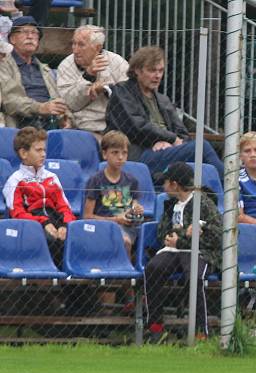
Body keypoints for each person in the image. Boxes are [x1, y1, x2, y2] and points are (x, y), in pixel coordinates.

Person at [105, 46, 224, 179]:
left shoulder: (163, 100)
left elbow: (182, 133)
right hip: (138, 154)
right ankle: (233, 189)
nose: (157, 76)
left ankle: (226, 193)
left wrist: (169, 143)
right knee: (201, 147)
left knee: (203, 155)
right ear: (137, 70)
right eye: (152, 70)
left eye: (161, 71)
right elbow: (137, 126)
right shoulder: (122, 92)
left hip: (166, 151)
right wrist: (169, 139)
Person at [144, 162, 222, 343]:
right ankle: (155, 327)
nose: (162, 187)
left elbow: (218, 236)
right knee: (153, 268)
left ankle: (200, 331)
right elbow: (163, 233)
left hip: (199, 251)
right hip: (173, 249)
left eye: (165, 183)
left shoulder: (203, 203)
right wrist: (180, 236)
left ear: (174, 184)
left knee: (195, 276)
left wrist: (181, 239)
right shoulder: (170, 204)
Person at [2, 126, 75, 265]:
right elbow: (17, 213)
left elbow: (64, 206)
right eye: (38, 150)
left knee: (75, 237)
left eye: (44, 150)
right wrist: (44, 222)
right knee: (50, 240)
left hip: (56, 220)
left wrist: (65, 225)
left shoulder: (52, 177)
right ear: (23, 153)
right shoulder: (15, 180)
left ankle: (73, 280)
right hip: (31, 224)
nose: (43, 154)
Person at [57, 25, 128, 139]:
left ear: (98, 47)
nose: (75, 50)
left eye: (81, 45)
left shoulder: (118, 63)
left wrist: (106, 89)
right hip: (83, 129)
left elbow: (129, 98)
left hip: (117, 128)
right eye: (73, 44)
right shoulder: (66, 66)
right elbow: (71, 103)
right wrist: (88, 76)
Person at [0, 16, 70, 129]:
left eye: (34, 33)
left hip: (50, 122)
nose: (30, 36)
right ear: (12, 39)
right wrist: (40, 108)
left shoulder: (45, 70)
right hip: (21, 124)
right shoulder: (3, 65)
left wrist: (66, 117)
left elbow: (58, 99)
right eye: (25, 32)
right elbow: (10, 102)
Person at [83, 131, 144, 255]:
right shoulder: (95, 181)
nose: (120, 157)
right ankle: (124, 272)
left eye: (124, 153)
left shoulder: (132, 181)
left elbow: (134, 206)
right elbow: (87, 216)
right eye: (115, 152)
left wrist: (136, 210)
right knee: (124, 240)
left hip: (128, 227)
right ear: (105, 154)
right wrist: (116, 220)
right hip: (104, 227)